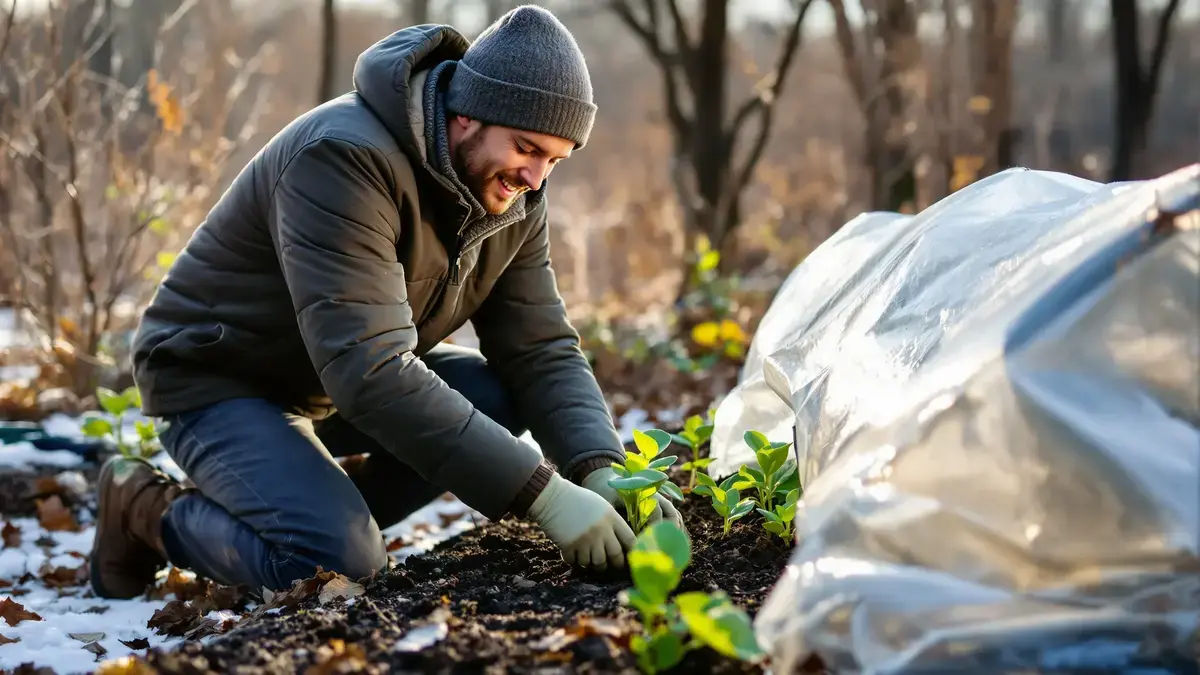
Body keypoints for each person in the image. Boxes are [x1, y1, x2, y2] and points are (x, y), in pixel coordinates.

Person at [89, 5, 684, 600]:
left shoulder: (514, 194)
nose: (535, 177)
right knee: (330, 565)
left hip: (325, 381)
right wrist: (546, 498)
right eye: (527, 147)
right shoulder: (343, 157)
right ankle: (140, 505)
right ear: (467, 115)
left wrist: (600, 467)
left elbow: (540, 347)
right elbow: (370, 370)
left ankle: (319, 518)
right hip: (221, 380)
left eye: (555, 159)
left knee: (497, 394)